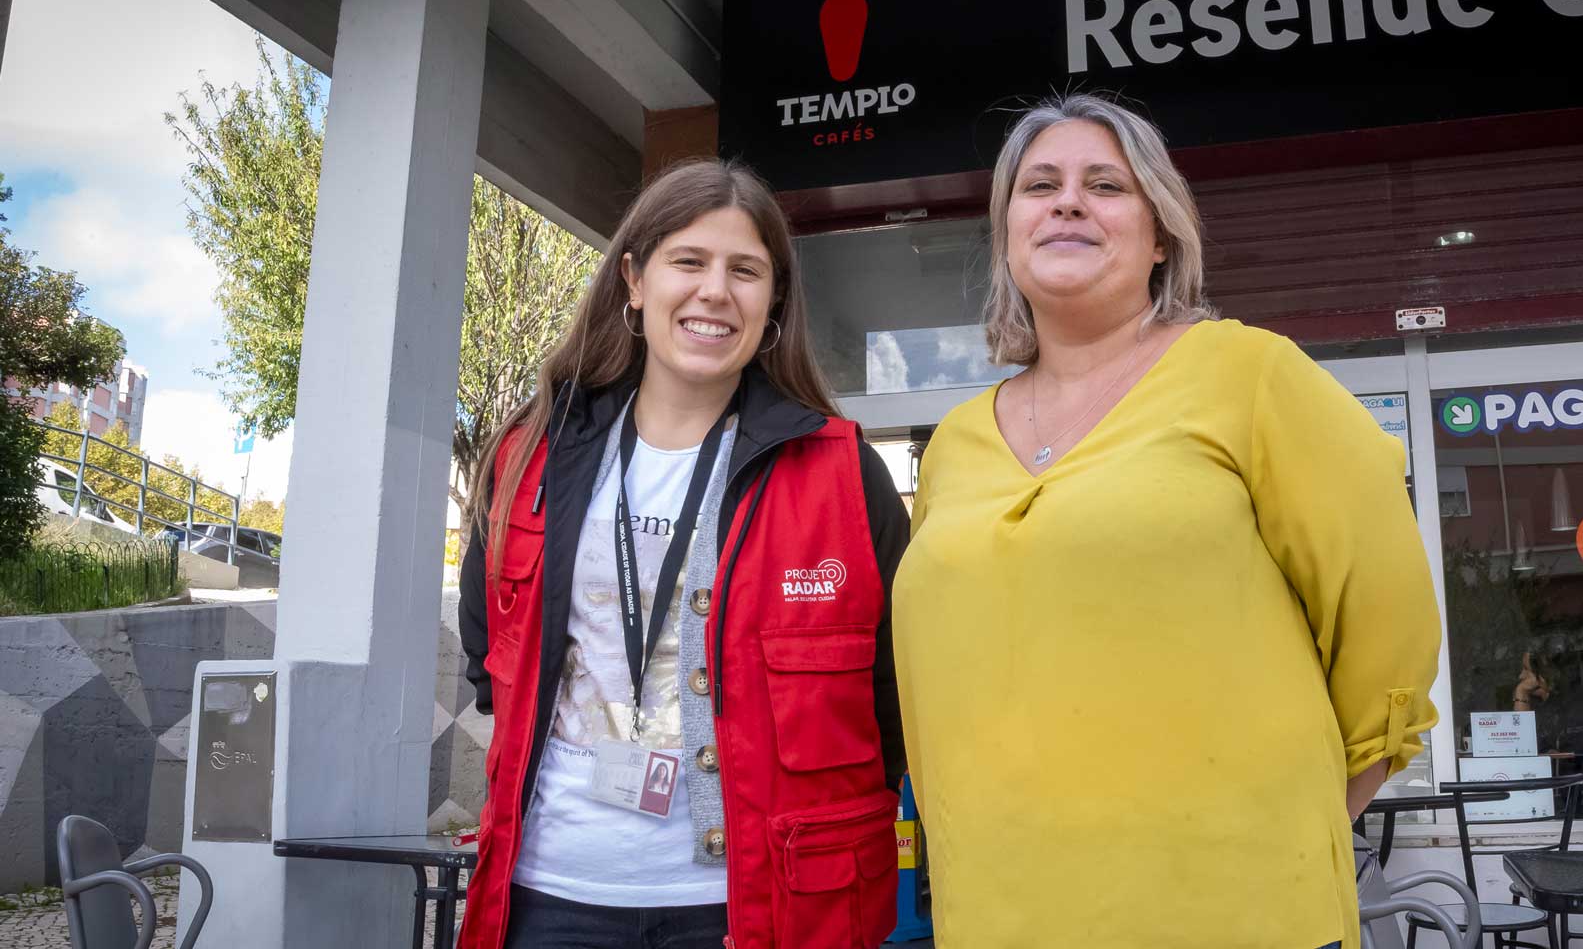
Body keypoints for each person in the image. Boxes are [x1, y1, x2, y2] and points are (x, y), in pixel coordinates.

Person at [892, 94, 1442, 948]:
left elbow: (1388, 634)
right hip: (1000, 919)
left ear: (1161, 236)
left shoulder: (1248, 374)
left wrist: (1297, 827)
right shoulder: (956, 446)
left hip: (1236, 916)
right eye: (1039, 185)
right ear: (1007, 233)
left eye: (1105, 184)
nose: (1067, 201)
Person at [457, 159, 908, 949]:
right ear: (634, 279)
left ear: (773, 303)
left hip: (755, 905)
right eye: (688, 262)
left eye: (745, 270)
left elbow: (892, 702)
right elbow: (487, 659)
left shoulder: (844, 475)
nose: (714, 292)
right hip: (553, 893)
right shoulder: (529, 460)